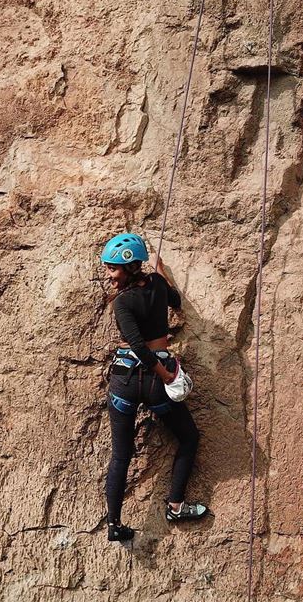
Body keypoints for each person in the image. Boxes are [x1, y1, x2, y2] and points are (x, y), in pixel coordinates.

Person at [100, 232, 208, 542]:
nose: (109, 275)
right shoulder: (157, 286)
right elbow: (175, 301)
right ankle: (175, 505)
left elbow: (136, 345)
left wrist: (163, 374)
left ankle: (114, 524)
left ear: (131, 268)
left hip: (126, 380)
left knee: (121, 454)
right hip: (154, 383)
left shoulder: (122, 303)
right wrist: (161, 271)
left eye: (113, 269)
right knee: (188, 437)